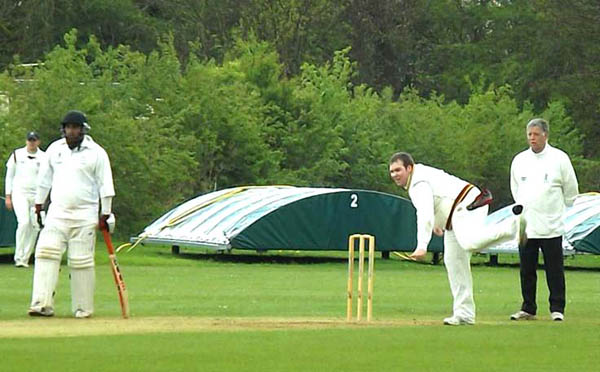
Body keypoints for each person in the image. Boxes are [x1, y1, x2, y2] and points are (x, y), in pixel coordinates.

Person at [389, 152, 523, 325]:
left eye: (398, 170)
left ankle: (514, 227)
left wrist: (422, 245)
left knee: (469, 242)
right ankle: (464, 314)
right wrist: (439, 222)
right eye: (392, 172)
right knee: (453, 262)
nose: (395, 175)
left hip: (467, 204)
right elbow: (437, 201)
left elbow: (424, 213)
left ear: (409, 168)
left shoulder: (418, 182)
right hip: (455, 215)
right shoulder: (418, 179)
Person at [28, 110, 115, 318]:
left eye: (76, 128)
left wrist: (105, 213)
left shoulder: (96, 152)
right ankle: (41, 304)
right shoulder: (54, 150)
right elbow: (44, 180)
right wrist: (39, 204)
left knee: (81, 261)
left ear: (83, 130)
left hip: (85, 214)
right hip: (57, 212)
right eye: (68, 128)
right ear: (63, 129)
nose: (72, 132)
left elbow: (106, 185)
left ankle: (83, 308)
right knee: (45, 254)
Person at [509, 118, 578, 322]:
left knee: (554, 269)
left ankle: (557, 308)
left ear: (545, 135)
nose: (532, 138)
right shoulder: (519, 160)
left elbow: (571, 190)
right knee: (526, 269)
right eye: (529, 134)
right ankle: (528, 307)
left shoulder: (559, 159)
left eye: (536, 134)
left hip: (551, 224)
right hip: (526, 225)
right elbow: (516, 189)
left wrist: (557, 209)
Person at [4, 131, 46, 267]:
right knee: (23, 222)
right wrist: (8, 196)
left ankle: (25, 258)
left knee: (35, 226)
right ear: (26, 141)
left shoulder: (44, 157)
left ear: (38, 142)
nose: (31, 143)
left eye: (34, 140)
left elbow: (47, 179)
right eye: (29, 140)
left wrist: (43, 198)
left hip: (36, 195)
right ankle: (18, 256)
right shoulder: (17, 154)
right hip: (19, 193)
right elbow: (9, 176)